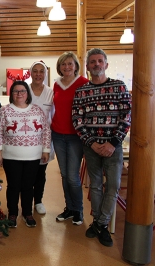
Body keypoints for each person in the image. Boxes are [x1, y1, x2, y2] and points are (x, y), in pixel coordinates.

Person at [72, 48, 132, 247]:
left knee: (113, 186)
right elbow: (77, 119)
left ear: (106, 64)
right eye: (92, 62)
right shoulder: (82, 91)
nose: (96, 64)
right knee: (96, 186)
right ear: (88, 66)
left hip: (113, 147)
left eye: (100, 61)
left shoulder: (119, 87)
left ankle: (100, 223)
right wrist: (92, 143)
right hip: (92, 147)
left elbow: (127, 116)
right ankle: (102, 224)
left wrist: (113, 143)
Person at [0, 80, 51, 228]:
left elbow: (45, 131)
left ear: (27, 94)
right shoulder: (5, 110)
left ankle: (27, 213)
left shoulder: (37, 110)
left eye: (22, 91)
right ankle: (12, 213)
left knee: (28, 186)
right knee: (13, 186)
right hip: (11, 156)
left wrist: (46, 150)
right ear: (11, 94)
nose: (19, 94)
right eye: (16, 91)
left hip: (33, 156)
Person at [52, 52, 89, 226]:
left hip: (75, 136)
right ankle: (69, 208)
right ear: (59, 67)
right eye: (63, 64)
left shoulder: (83, 83)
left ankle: (78, 210)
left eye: (70, 64)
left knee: (73, 176)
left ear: (76, 65)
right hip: (58, 134)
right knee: (65, 175)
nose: (66, 67)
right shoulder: (56, 85)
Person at [28, 61, 54, 215]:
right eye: (35, 71)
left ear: (45, 74)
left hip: (44, 139)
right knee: (27, 173)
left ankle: (38, 201)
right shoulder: (24, 90)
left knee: (40, 173)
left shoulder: (51, 92)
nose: (38, 74)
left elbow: (54, 116)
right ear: (31, 73)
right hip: (25, 140)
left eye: (41, 72)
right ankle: (26, 201)